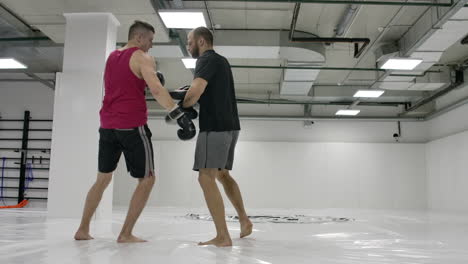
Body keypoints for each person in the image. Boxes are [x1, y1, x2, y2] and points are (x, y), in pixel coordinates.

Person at [73, 20, 178, 243]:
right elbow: (157, 89)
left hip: (108, 125)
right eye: (150, 40)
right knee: (147, 179)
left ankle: (82, 230)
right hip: (132, 125)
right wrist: (178, 114)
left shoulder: (112, 57)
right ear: (139, 38)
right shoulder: (142, 57)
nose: (151, 45)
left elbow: (125, 85)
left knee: (102, 179)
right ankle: (126, 233)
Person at [182, 27, 253, 247]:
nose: (188, 45)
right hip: (231, 127)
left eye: (189, 41)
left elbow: (194, 92)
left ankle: (222, 235)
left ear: (201, 41)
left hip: (214, 127)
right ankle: (244, 220)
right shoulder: (222, 61)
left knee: (205, 177)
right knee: (223, 174)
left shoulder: (205, 60)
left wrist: (180, 105)